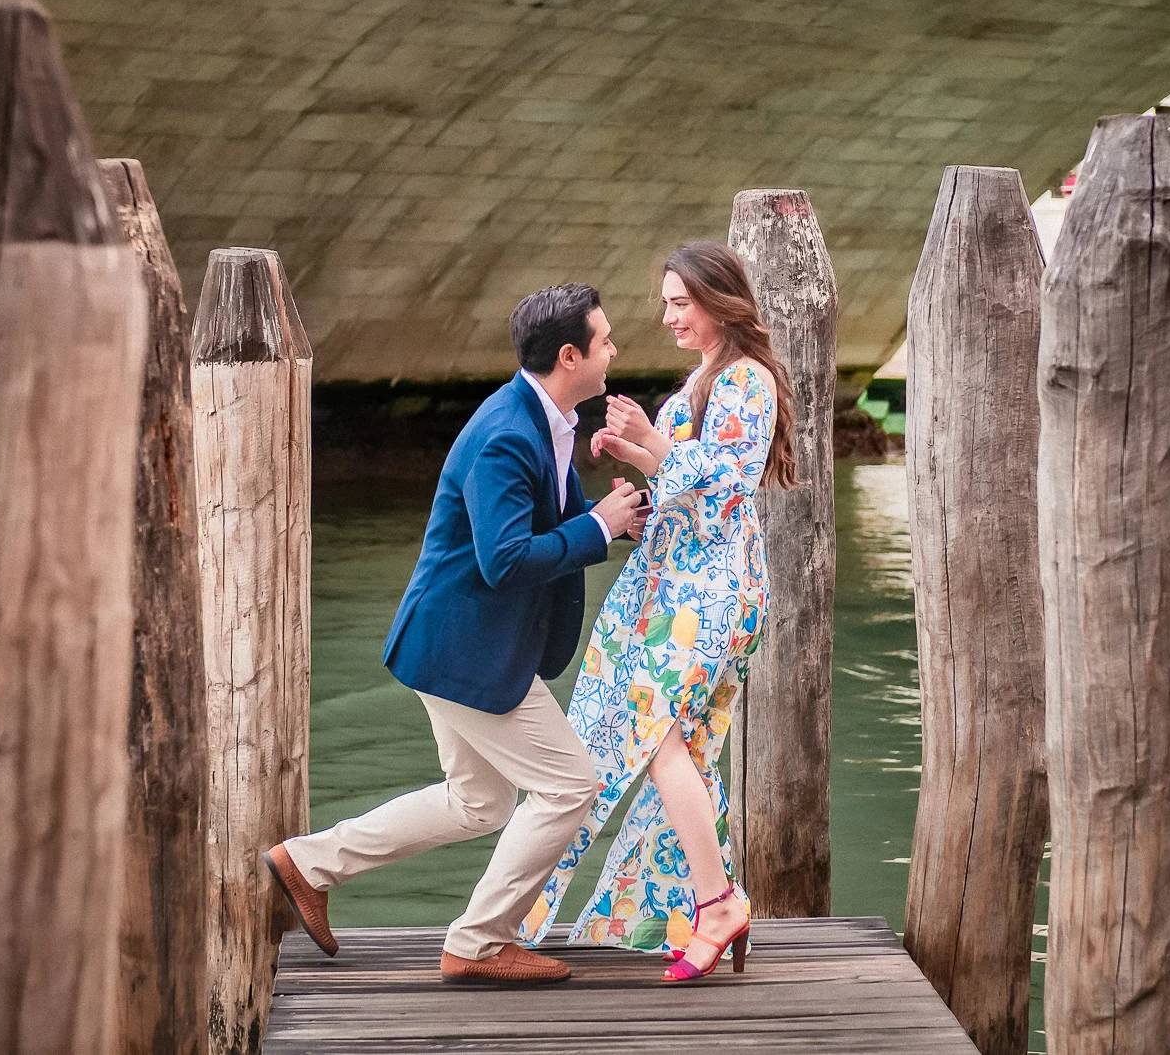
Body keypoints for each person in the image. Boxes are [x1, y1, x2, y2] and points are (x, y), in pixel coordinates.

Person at [262, 283, 650, 986]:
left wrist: (603, 518)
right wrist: (598, 527)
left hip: (452, 644)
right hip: (466, 650)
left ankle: (308, 862)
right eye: (606, 339)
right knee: (570, 786)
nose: (614, 349)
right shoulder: (506, 433)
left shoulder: (545, 416)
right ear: (571, 355)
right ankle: (477, 941)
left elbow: (525, 535)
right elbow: (504, 561)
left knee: (479, 802)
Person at [516, 240, 797, 984]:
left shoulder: (747, 380)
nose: (668, 314)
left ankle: (716, 901)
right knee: (664, 734)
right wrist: (640, 463)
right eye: (667, 300)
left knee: (655, 725)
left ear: (718, 301)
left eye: (681, 301)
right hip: (675, 584)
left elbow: (728, 484)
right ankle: (692, 906)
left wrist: (653, 441)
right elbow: (687, 482)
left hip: (710, 590)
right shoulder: (709, 376)